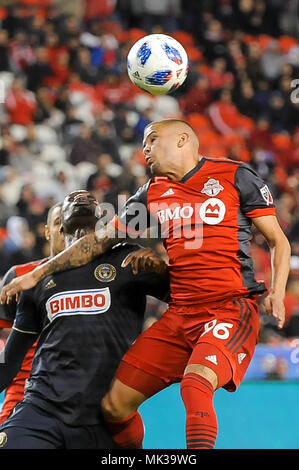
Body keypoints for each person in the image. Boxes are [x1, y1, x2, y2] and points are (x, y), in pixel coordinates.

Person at [0, 120, 291, 449]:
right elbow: (98, 242)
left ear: (183, 140)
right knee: (114, 407)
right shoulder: (152, 193)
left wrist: (278, 292)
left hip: (228, 308)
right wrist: (39, 273)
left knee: (195, 384)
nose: (145, 149)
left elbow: (279, 242)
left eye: (152, 140)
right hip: (179, 316)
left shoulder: (236, 176)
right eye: (143, 143)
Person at [0, 190, 169, 449]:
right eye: (71, 199)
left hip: (102, 417)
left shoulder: (129, 259)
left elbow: (188, 298)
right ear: (57, 224)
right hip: (42, 410)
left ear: (102, 217)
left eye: (90, 198)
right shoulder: (35, 280)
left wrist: (165, 272)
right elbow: (9, 362)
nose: (81, 197)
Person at [0, 202, 64, 424]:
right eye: (58, 223)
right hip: (24, 393)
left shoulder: (105, 277)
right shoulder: (19, 276)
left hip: (85, 395)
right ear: (46, 232)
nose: (66, 230)